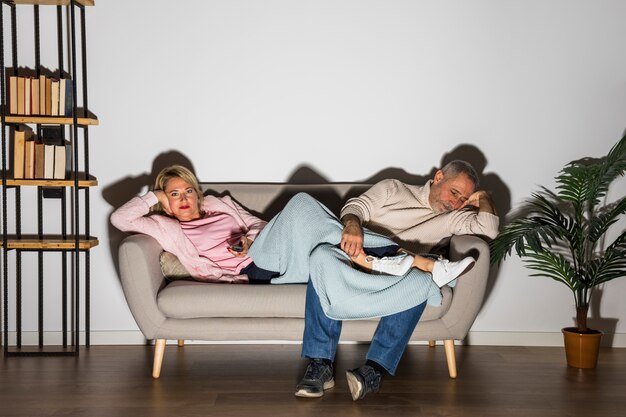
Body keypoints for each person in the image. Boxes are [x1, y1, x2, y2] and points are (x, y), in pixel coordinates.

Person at [295, 160, 499, 401]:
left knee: (419, 282)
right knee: (322, 257)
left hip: (398, 275)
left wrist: (484, 197)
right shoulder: (393, 189)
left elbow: (488, 230)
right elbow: (356, 207)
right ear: (439, 176)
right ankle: (321, 364)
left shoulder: (454, 217)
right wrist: (352, 224)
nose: (455, 203)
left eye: (463, 199)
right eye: (454, 192)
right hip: (359, 261)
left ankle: (373, 371)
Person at [111, 165, 475, 286]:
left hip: (266, 250)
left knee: (325, 241)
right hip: (252, 269)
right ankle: (417, 262)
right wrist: (153, 197)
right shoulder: (166, 226)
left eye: (189, 189)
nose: (185, 197)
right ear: (165, 201)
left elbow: (262, 225)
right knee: (301, 202)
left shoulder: (219, 204)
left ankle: (397, 262)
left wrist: (248, 236)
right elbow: (120, 219)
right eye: (175, 194)